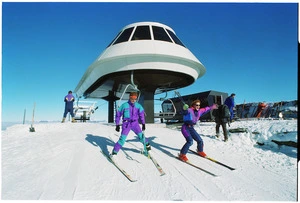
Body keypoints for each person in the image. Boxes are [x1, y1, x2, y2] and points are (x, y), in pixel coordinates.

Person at [111, 92, 151, 159]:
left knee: (141, 136)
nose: (133, 100)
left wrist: (143, 124)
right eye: (132, 98)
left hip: (135, 124)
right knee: (122, 139)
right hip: (126, 124)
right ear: (129, 97)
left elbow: (142, 115)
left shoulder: (138, 106)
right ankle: (114, 152)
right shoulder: (124, 105)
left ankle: (147, 147)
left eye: (135, 98)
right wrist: (117, 124)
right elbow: (118, 115)